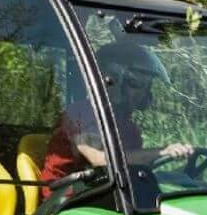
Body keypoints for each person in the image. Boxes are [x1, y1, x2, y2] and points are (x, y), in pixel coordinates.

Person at [39, 41, 195, 198]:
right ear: (110, 79)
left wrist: (182, 175)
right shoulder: (79, 114)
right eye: (137, 83)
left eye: (147, 86)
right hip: (62, 199)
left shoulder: (129, 128)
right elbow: (100, 159)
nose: (143, 93)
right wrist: (161, 151)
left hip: (102, 194)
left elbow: (133, 170)